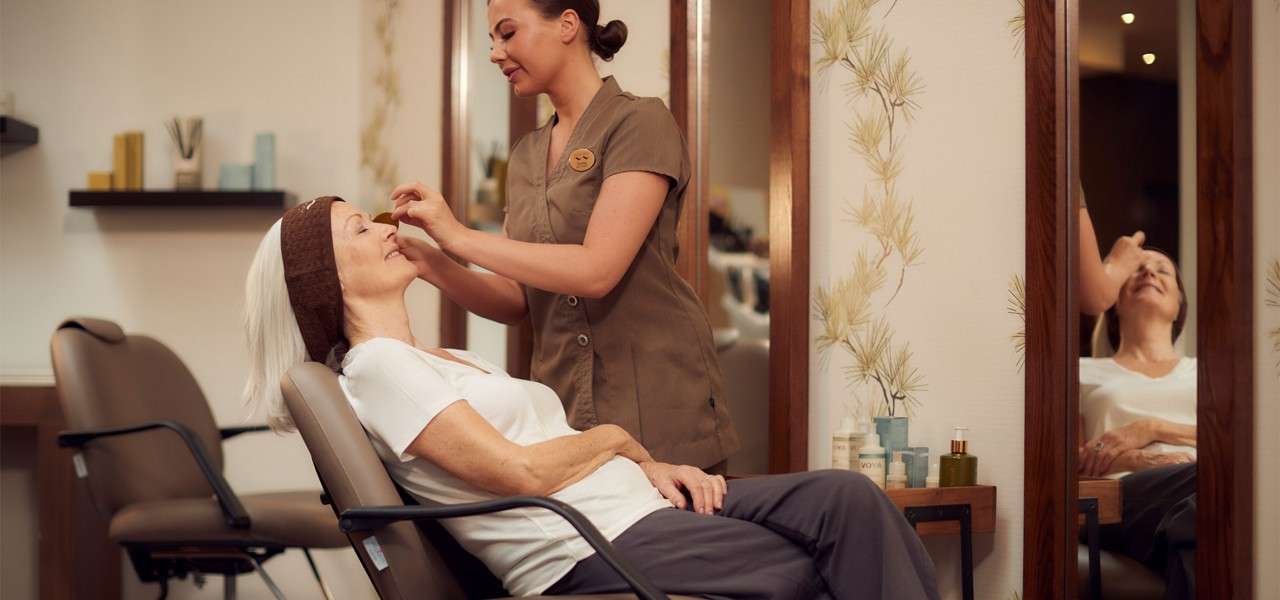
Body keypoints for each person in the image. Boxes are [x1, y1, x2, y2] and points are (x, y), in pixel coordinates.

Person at [242, 197, 939, 599]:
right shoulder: (377, 368)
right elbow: (518, 472)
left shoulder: (444, 358)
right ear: (323, 279)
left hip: (635, 508)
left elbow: (542, 453)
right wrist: (621, 442)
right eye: (360, 230)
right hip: (588, 546)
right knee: (803, 569)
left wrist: (650, 468)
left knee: (846, 499)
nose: (388, 229)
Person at [386, 0, 739, 471]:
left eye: (507, 33)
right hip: (563, 400)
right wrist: (429, 262)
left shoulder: (639, 123)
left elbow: (597, 271)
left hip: (656, 396)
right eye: (491, 40)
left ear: (568, 24)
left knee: (672, 518)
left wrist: (457, 236)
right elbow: (516, 300)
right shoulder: (525, 156)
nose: (495, 52)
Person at [1077, 248, 1196, 600]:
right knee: (1213, 486)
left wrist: (1150, 428)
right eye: (1138, 269)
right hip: (1118, 499)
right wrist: (1138, 461)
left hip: (1191, 494)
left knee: (1196, 515)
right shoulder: (1081, 372)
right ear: (1113, 300)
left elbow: (1235, 445)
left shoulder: (1207, 373)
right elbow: (1068, 462)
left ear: (1179, 305)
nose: (1149, 273)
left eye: (1162, 270)